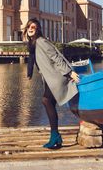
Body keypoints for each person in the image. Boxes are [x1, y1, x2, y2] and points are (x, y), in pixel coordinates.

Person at [23, 18, 79, 149]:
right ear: (26, 29)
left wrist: (70, 72)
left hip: (56, 77)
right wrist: (30, 73)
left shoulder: (41, 42)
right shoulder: (32, 43)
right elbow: (33, 58)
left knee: (46, 101)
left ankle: (55, 135)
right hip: (49, 78)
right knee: (49, 103)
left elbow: (56, 57)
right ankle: (56, 137)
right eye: (30, 27)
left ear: (38, 30)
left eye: (34, 27)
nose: (31, 29)